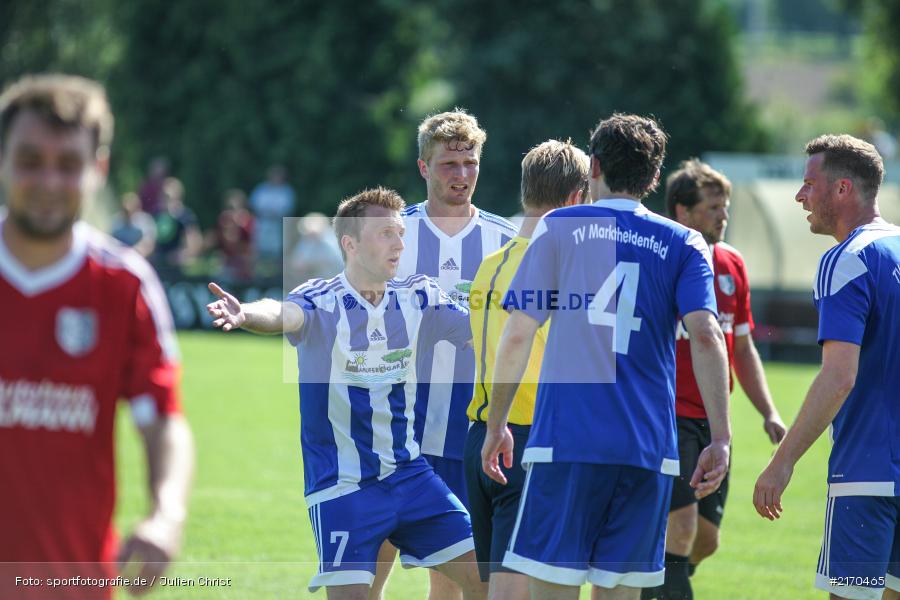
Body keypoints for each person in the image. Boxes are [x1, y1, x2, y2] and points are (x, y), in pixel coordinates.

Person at [482, 113, 732, 600]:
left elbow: (516, 337)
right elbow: (706, 336)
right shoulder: (684, 242)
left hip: (566, 444)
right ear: (655, 176)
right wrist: (720, 437)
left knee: (552, 589)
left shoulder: (558, 227)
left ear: (592, 166)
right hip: (646, 450)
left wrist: (496, 425)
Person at [206, 187, 486, 600]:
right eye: (385, 233)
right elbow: (284, 312)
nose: (399, 243)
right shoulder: (322, 302)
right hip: (343, 488)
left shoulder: (420, 297)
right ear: (350, 244)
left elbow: (485, 327)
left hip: (411, 478)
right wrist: (246, 312)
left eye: (400, 232)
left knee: (490, 583)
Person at [0, 75, 194, 598]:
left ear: (97, 169)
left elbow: (163, 419)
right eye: (30, 160)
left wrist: (166, 514)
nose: (48, 180)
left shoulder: (123, 284)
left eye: (69, 165)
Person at [754, 134, 900, 600]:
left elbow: (839, 376)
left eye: (809, 184)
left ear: (842, 189)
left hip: (867, 472)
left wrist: (781, 463)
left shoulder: (846, 258)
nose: (800, 196)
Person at [381, 109, 516, 600]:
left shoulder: (506, 240)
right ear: (423, 168)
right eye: (447, 165)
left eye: (470, 163)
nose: (461, 175)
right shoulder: (393, 233)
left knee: (461, 576)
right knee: (373, 557)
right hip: (394, 422)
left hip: (472, 426)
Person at [641, 160, 787, 599]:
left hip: (714, 421)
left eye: (725, 207)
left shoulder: (732, 264)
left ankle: (643, 583)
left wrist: (768, 411)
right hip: (668, 417)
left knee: (704, 540)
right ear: (682, 212)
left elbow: (741, 347)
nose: (724, 216)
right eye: (713, 207)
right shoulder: (660, 257)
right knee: (680, 530)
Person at [464, 139, 589, 600]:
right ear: (577, 197)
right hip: (529, 438)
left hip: (479, 438)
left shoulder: (489, 265)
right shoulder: (567, 265)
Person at [249, 164, 296, 274]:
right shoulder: (261, 189)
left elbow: (287, 208)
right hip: (262, 223)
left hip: (278, 225)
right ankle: (256, 275)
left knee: (278, 253)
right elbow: (254, 205)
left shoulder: (286, 191)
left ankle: (277, 276)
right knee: (257, 250)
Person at [111, 191, 157, 258]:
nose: (128, 214)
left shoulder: (146, 222)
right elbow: (111, 241)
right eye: (125, 211)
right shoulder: (116, 222)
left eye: (130, 211)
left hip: (140, 259)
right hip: (120, 258)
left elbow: (149, 243)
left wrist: (136, 252)